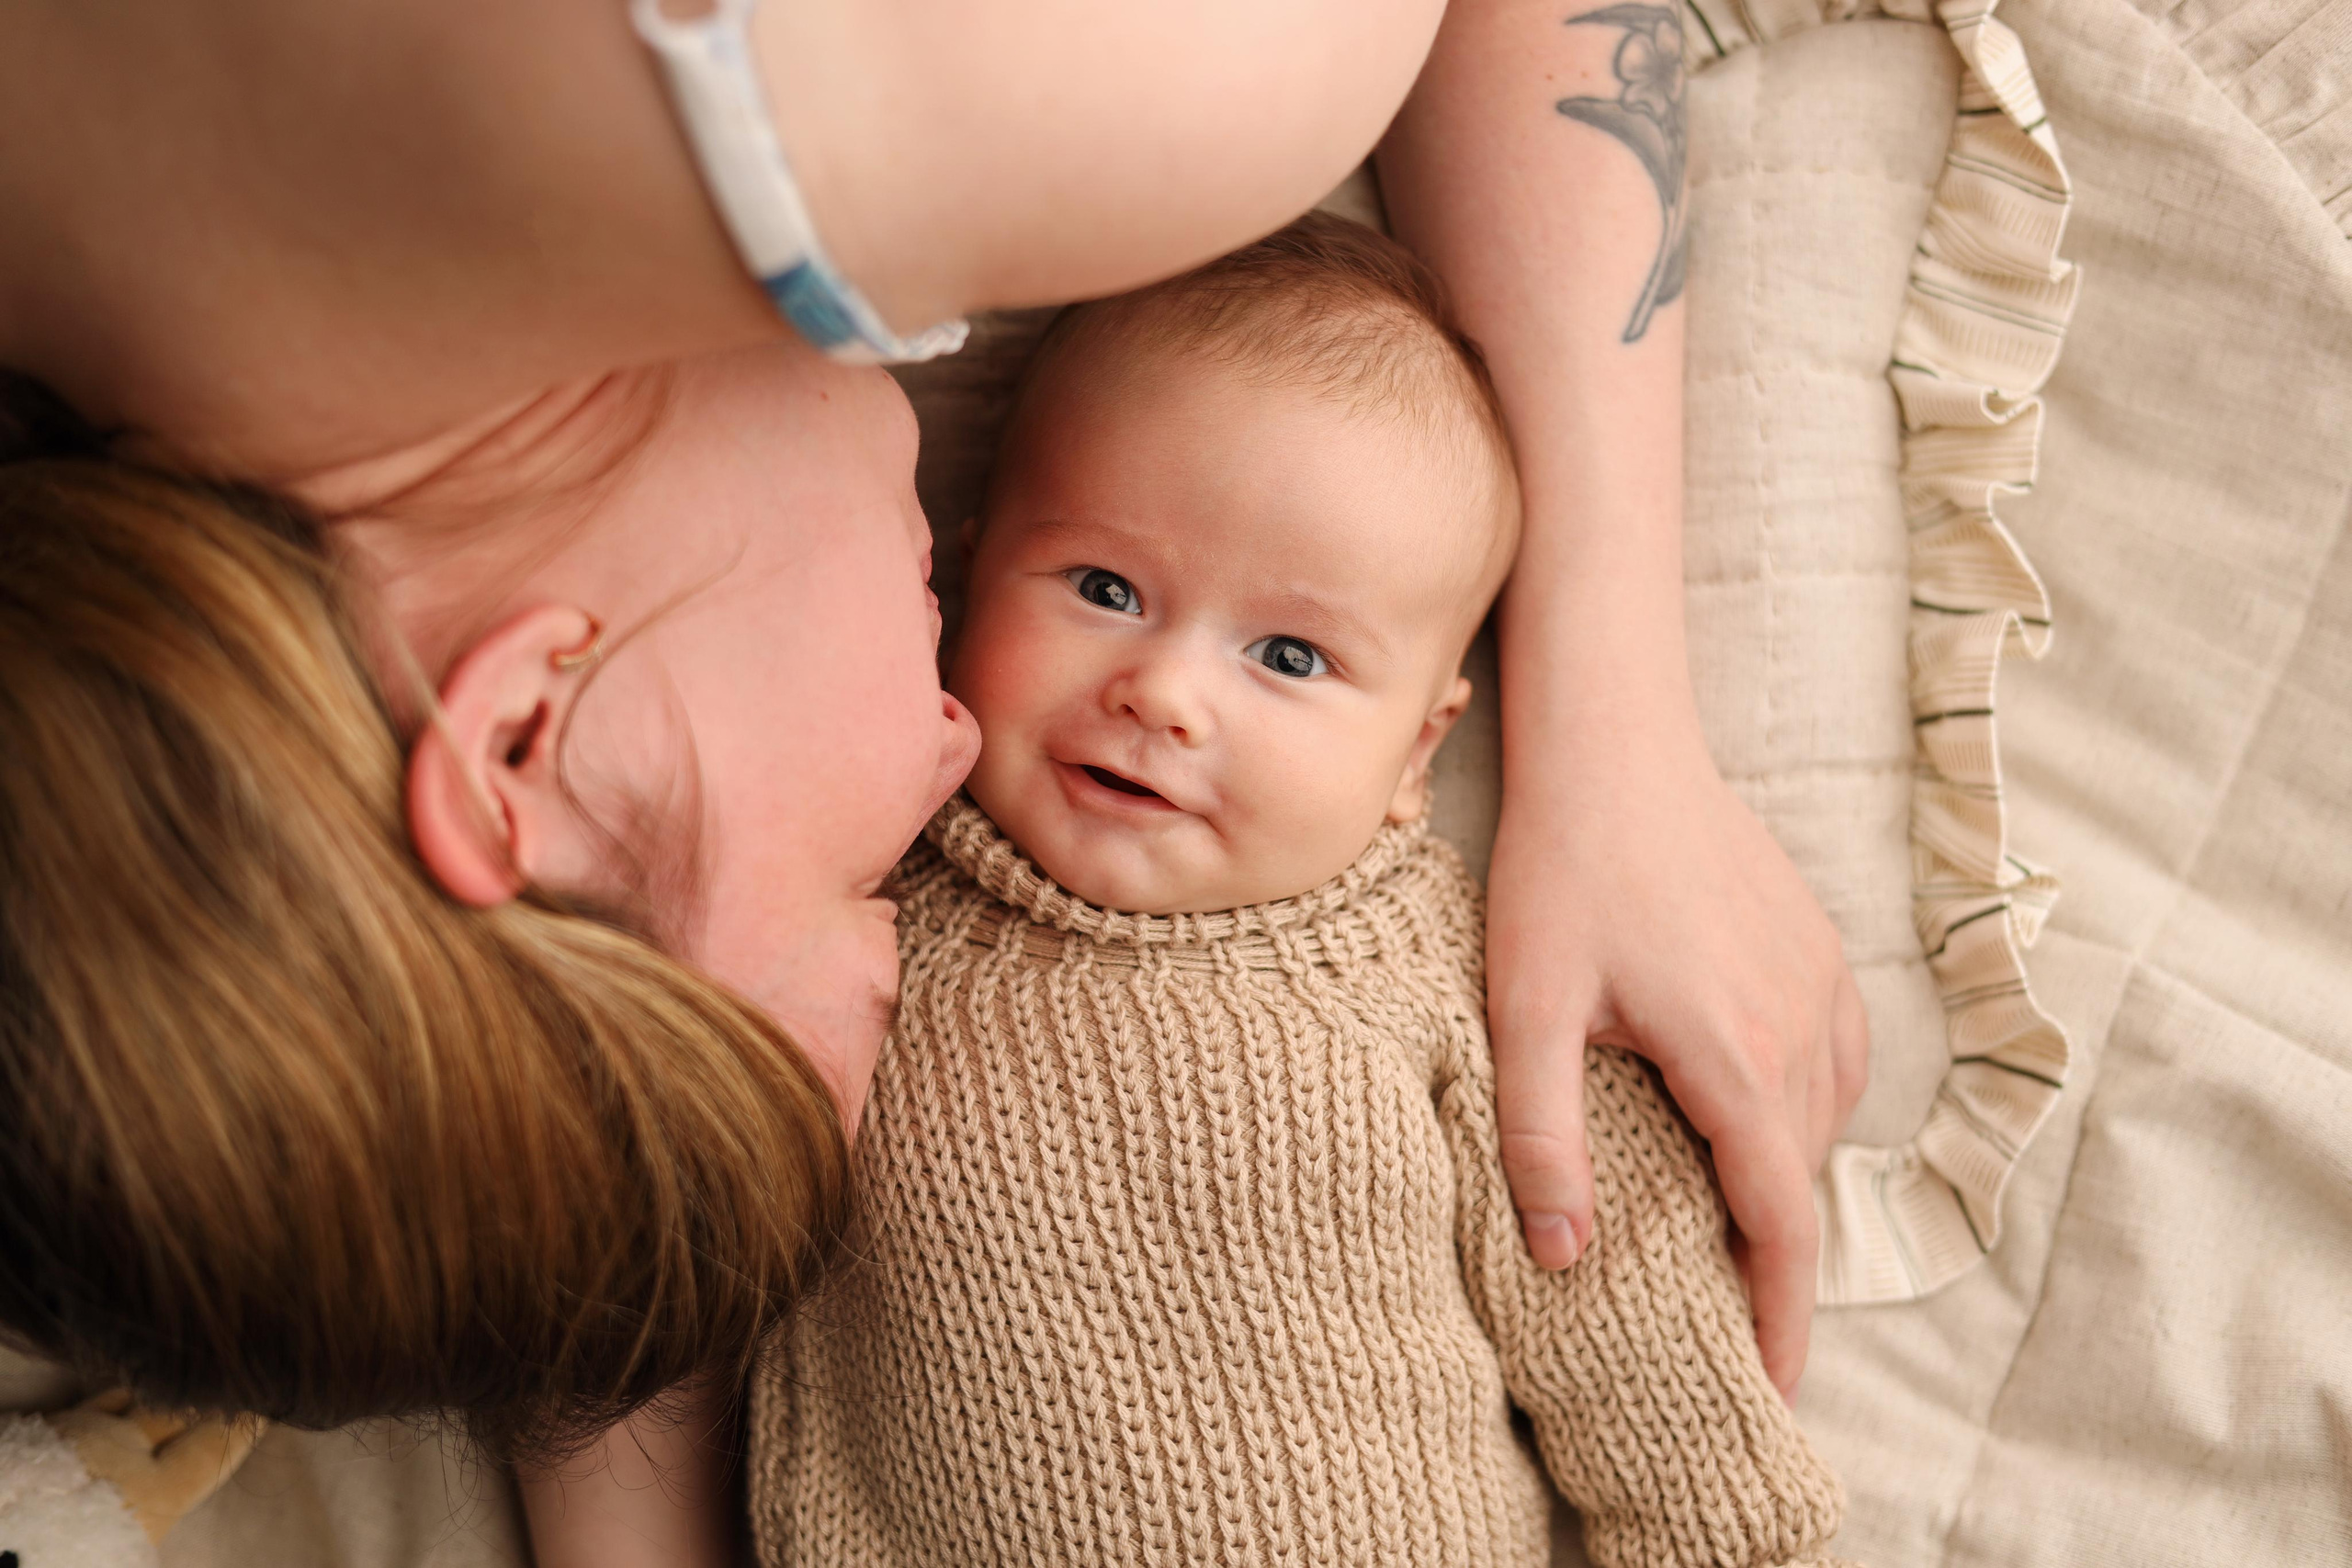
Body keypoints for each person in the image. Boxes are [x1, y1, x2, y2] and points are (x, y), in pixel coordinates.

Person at [0, 0, 1860, 1481]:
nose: (952, 743)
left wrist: (1612, 721)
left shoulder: (1057, 87)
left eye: (840, 883)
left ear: (514, 740)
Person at [548, 213, 1851, 1568]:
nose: (1162, 695)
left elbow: (1624, 1309)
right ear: (965, 574)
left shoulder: (1447, 974)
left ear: (1420, 750)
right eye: (1104, 587)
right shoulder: (855, 902)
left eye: (1288, 657)